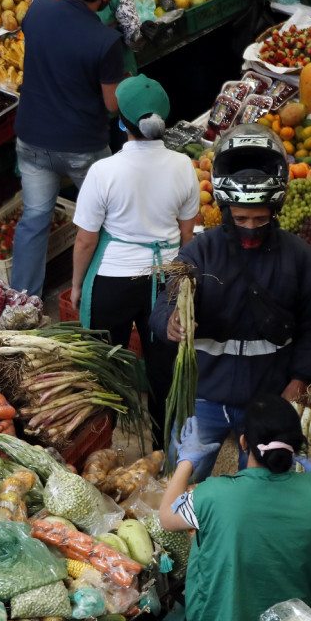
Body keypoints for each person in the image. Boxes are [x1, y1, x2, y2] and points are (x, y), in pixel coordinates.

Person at [150, 124, 311, 481]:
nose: (250, 228)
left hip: (269, 398)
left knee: (261, 487)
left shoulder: (298, 258)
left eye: (261, 220)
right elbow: (162, 306)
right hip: (204, 397)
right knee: (179, 483)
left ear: (275, 210)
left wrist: (299, 380)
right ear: (225, 208)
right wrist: (170, 324)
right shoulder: (199, 252)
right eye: (241, 219)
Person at [160, 394, 311, 621]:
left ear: (244, 443)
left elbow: (166, 518)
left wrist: (188, 460)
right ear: (297, 446)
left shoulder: (213, 494)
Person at [71, 74, 199, 444]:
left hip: (113, 281)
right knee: (165, 374)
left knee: (102, 369)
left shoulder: (104, 171)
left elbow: (84, 240)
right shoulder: (183, 166)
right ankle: (165, 456)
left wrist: (78, 285)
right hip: (167, 281)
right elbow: (188, 234)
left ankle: (99, 449)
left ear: (122, 122)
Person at [11, 0, 123, 298]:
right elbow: (112, 104)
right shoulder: (106, 41)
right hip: (82, 148)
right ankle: (97, 293)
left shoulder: (38, 8)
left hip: (31, 141)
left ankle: (21, 301)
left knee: (34, 219)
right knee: (107, 221)